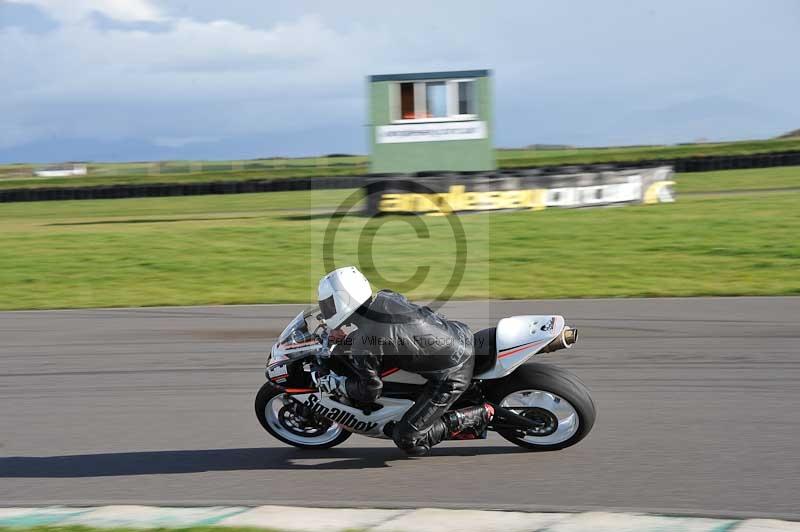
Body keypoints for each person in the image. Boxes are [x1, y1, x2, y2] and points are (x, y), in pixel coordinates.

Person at [315, 266, 494, 456]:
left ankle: (479, 414)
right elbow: (384, 333)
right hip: (458, 334)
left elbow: (371, 391)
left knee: (407, 439)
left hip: (453, 372)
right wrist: (347, 340)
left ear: (344, 301)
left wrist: (340, 384)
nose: (327, 309)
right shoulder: (386, 297)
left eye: (329, 304)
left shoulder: (365, 344)